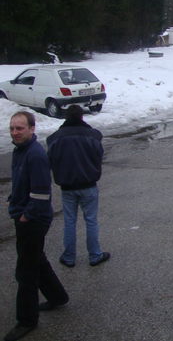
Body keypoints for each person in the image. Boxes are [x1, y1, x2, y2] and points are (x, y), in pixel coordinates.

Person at [5, 112, 69, 341]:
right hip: (23, 214)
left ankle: (26, 321)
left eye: (20, 128)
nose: (15, 132)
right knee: (36, 259)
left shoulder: (36, 155)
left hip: (33, 220)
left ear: (32, 129)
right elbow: (22, 181)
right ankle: (58, 296)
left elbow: (42, 192)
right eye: (12, 128)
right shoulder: (19, 150)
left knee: (26, 271)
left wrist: (26, 215)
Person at [46, 105, 109, 268]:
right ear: (82, 117)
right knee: (91, 221)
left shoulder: (55, 138)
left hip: (67, 187)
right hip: (89, 184)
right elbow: (99, 153)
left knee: (69, 221)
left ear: (66, 117)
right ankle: (95, 255)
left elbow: (50, 158)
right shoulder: (92, 136)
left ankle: (69, 256)